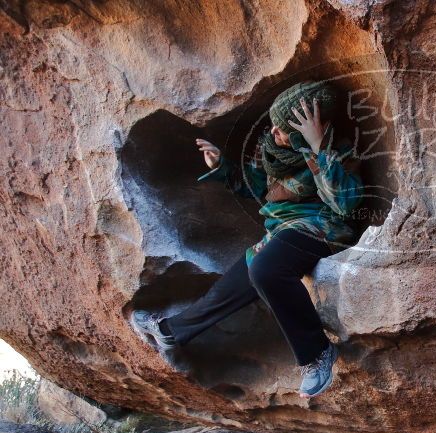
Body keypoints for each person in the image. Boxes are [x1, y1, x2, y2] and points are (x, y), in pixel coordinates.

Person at [131, 81, 364, 398]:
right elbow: (258, 189)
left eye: (284, 130)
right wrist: (222, 167)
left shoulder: (339, 149)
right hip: (281, 230)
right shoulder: (275, 151)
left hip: (322, 228)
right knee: (234, 283)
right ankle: (171, 332)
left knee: (266, 270)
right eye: (276, 125)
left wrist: (317, 147)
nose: (275, 133)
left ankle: (317, 354)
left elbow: (345, 204)